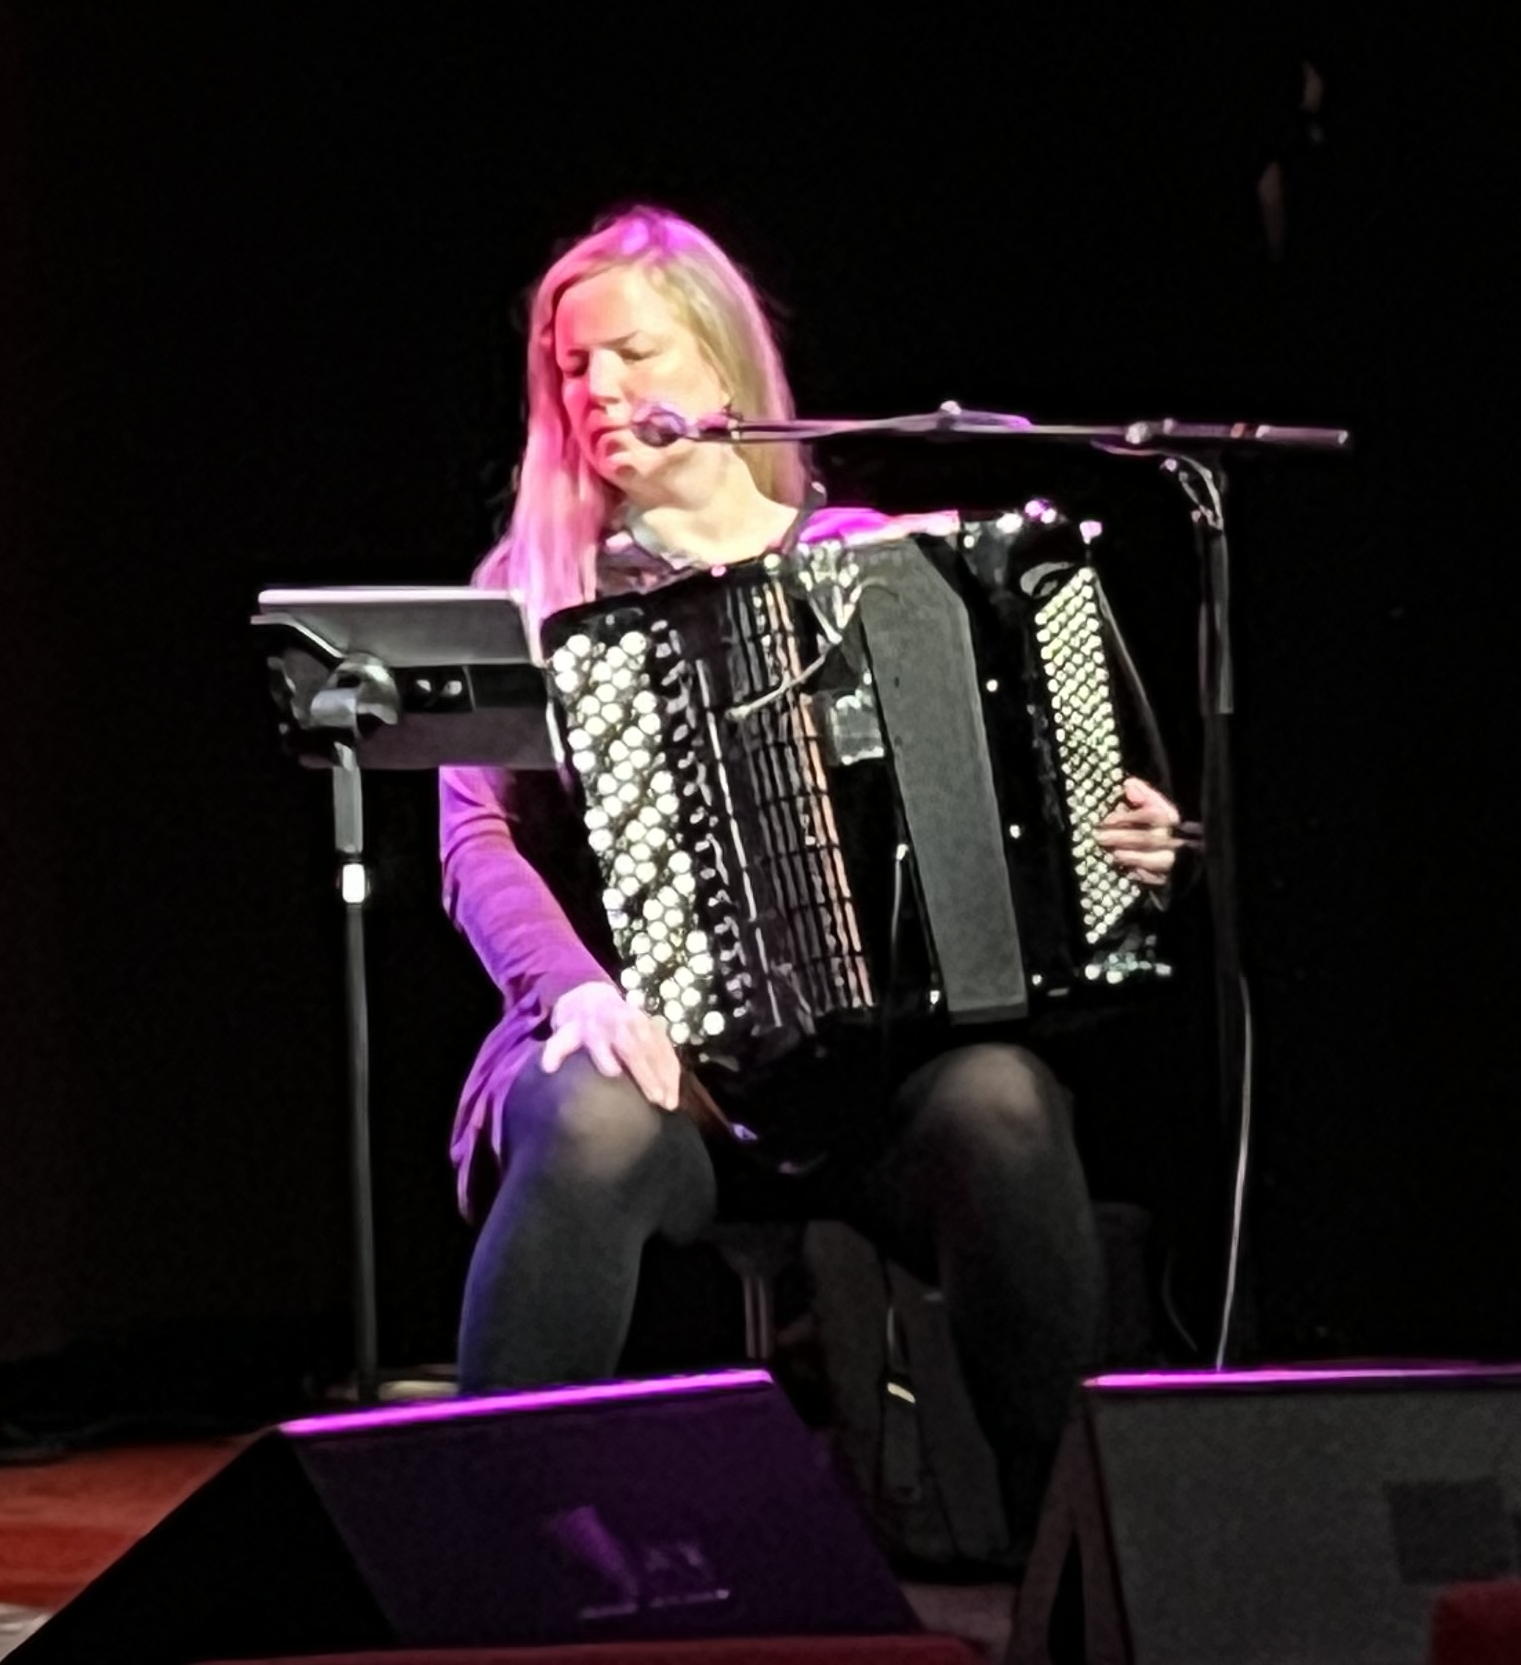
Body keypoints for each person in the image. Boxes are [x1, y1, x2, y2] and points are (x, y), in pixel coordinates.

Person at [443, 204, 1180, 1544]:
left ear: (721, 365)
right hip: (660, 1085)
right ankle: (486, 1553)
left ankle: (1072, 1554)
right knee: (591, 1115)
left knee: (1004, 1101)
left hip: (872, 1092)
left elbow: (1039, 804)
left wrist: (1115, 845)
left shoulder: (880, 567)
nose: (597, 387)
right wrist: (574, 991)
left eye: (633, 353)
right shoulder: (534, 587)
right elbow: (473, 844)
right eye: (571, 365)